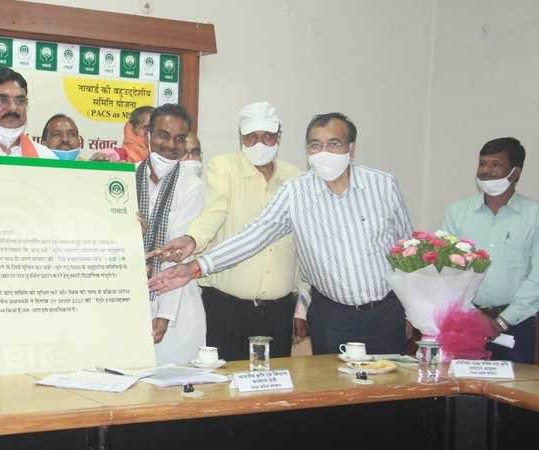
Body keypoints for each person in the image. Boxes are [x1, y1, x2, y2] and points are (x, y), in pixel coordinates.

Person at [149, 112, 413, 355]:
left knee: (391, 388)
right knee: (333, 389)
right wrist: (195, 266)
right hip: (332, 316)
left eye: (333, 144)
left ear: (351, 148)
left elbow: (407, 251)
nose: (323, 152)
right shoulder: (296, 192)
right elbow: (254, 235)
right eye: (315, 145)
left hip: (385, 312)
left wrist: (411, 312)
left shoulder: (383, 185)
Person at [173, 102, 304, 360]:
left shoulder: (295, 177)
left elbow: (304, 245)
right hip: (226, 309)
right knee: (225, 381)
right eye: (251, 137)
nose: (259, 143)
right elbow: (213, 213)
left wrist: (302, 307)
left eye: (267, 136)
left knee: (275, 381)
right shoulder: (223, 168)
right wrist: (192, 239)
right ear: (240, 136)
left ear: (279, 135)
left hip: (279, 312)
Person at [443, 137, 538, 364]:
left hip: (517, 324)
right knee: (463, 386)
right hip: (466, 321)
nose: (486, 171)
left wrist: (505, 320)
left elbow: (537, 277)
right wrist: (474, 315)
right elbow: (447, 270)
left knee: (514, 386)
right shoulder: (457, 212)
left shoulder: (534, 215)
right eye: (482, 163)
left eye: (495, 164)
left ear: (515, 172)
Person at [138, 104, 205, 365]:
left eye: (179, 138)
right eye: (163, 135)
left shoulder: (191, 184)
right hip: (129, 297)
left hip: (177, 305)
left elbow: (177, 253)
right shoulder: (125, 176)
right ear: (148, 135)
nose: (171, 145)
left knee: (175, 381)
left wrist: (164, 314)